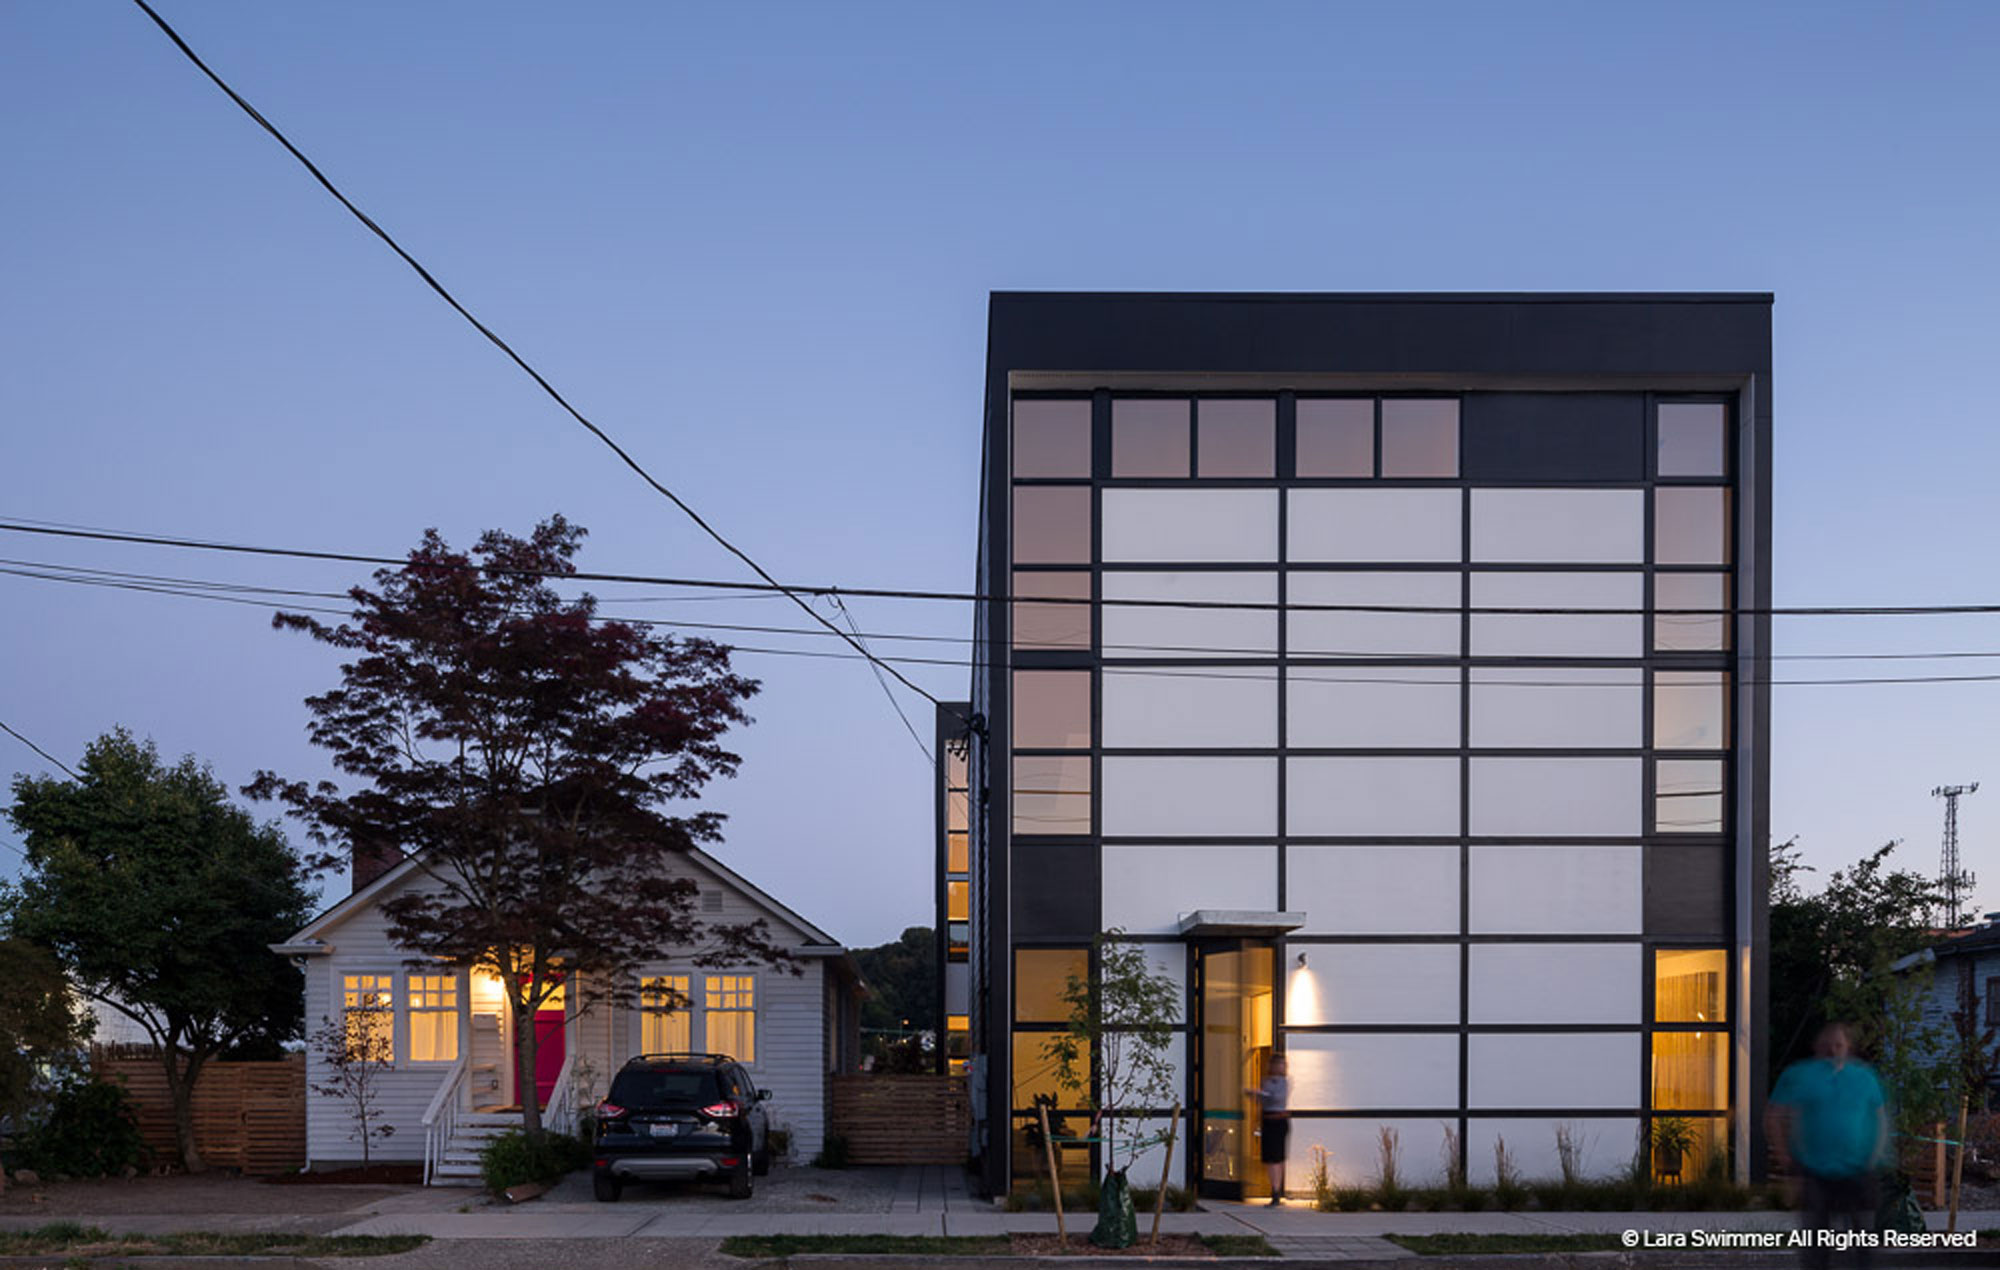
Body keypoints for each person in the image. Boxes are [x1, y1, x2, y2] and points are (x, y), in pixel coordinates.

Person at [1765, 1022, 1889, 1269]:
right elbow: (1773, 1115)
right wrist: (1785, 1156)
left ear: (1848, 1047)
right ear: (1817, 1047)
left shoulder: (1864, 1076)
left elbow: (1880, 1117)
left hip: (1858, 1170)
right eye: (1828, 1045)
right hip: (1815, 1171)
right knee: (1814, 1243)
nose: (1833, 1050)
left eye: (1839, 1045)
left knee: (1864, 1241)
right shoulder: (1800, 1075)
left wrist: (1874, 1156)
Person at [1247, 1052, 1291, 1206]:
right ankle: (1275, 1190)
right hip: (1267, 1119)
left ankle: (1276, 1192)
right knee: (1270, 1158)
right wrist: (1255, 1095)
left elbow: (1277, 1098)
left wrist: (1261, 1093)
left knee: (1277, 1158)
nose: (1279, 1067)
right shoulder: (1265, 1081)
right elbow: (1264, 1100)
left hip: (1279, 1120)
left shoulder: (1284, 1082)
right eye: (1276, 1064)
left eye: (1281, 1064)